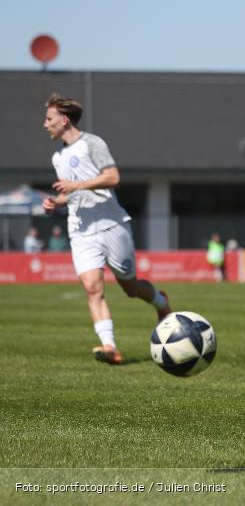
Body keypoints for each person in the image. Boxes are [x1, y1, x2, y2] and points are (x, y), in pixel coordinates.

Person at [42, 93, 172, 365]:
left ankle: (161, 302)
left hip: (111, 225)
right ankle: (110, 346)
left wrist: (75, 187)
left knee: (132, 287)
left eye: (49, 118)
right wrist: (57, 201)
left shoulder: (92, 143)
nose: (45, 124)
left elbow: (113, 178)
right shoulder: (58, 157)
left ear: (64, 120)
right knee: (92, 287)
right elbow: (73, 193)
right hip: (81, 230)